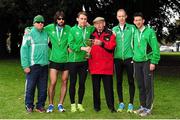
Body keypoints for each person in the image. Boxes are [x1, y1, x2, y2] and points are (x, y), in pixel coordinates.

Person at [133, 12, 160, 116]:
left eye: (139, 20)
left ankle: (148, 108)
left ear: (143, 21)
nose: (138, 22)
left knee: (148, 85)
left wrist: (153, 62)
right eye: (136, 20)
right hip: (136, 62)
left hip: (147, 61)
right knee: (140, 85)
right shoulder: (134, 31)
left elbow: (155, 48)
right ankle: (142, 106)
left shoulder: (150, 32)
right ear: (134, 21)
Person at [20, 15, 49, 113]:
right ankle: (29, 105)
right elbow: (23, 49)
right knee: (30, 87)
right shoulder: (29, 33)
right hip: (32, 66)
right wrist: (25, 65)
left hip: (44, 65)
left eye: (42, 22)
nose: (41, 23)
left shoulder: (46, 33)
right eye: (38, 22)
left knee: (43, 88)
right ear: (34, 23)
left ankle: (40, 106)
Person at [68, 11, 94, 112]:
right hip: (73, 61)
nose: (83, 21)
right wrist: (82, 48)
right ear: (77, 19)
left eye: (85, 19)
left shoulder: (88, 29)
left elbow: (94, 27)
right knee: (73, 83)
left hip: (84, 61)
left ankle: (80, 104)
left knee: (82, 83)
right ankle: (72, 104)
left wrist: (88, 24)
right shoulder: (72, 30)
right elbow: (71, 44)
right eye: (81, 18)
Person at [44, 11, 71, 113]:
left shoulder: (68, 28)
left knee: (64, 81)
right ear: (56, 19)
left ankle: (60, 104)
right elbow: (39, 28)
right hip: (54, 59)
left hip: (66, 59)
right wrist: (27, 29)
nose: (61, 21)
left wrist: (87, 24)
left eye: (62, 19)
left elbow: (80, 30)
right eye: (59, 19)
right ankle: (51, 104)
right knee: (53, 82)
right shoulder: (50, 27)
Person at [88, 17, 116, 112]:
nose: (99, 25)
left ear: (104, 23)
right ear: (94, 25)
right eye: (96, 24)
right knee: (96, 89)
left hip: (107, 67)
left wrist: (102, 44)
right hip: (94, 66)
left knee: (108, 89)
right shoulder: (91, 35)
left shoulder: (110, 33)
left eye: (101, 23)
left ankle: (111, 107)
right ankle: (96, 107)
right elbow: (89, 48)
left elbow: (112, 47)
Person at [112, 9, 135, 113]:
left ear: (126, 16)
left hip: (129, 58)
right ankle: (121, 102)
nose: (121, 18)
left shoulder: (132, 28)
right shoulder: (114, 29)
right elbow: (110, 44)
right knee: (119, 81)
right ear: (117, 17)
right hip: (117, 58)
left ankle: (131, 103)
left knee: (131, 80)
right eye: (119, 16)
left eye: (123, 16)